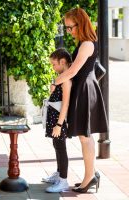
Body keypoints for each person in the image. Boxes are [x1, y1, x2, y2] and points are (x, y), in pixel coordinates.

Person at [53, 8, 108, 193]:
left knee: (85, 137)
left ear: (80, 23)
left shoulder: (87, 44)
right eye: (67, 28)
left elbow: (73, 71)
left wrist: (56, 82)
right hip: (83, 88)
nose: (69, 31)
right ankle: (90, 175)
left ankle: (89, 178)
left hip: (85, 89)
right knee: (85, 136)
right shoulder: (85, 42)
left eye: (70, 27)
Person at [42, 48, 72, 193]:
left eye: (54, 64)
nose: (53, 68)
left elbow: (65, 104)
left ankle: (64, 181)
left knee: (61, 148)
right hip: (54, 119)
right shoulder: (61, 77)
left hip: (59, 121)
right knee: (57, 146)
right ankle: (59, 174)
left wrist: (59, 125)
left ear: (63, 62)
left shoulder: (66, 80)